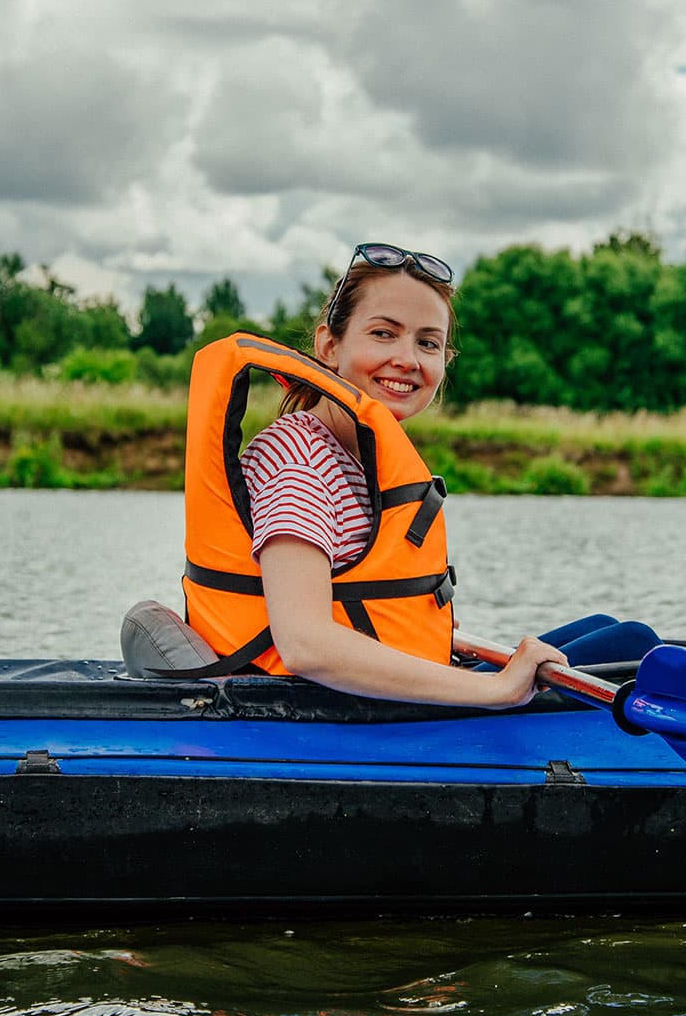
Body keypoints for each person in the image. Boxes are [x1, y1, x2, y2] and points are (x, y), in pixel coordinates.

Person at [170, 242, 658, 707]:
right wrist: (496, 690)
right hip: (336, 713)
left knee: (609, 631)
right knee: (634, 645)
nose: (407, 358)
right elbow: (304, 644)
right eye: (383, 333)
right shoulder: (300, 459)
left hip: (371, 700)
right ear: (329, 345)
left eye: (428, 343)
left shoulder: (357, 454)